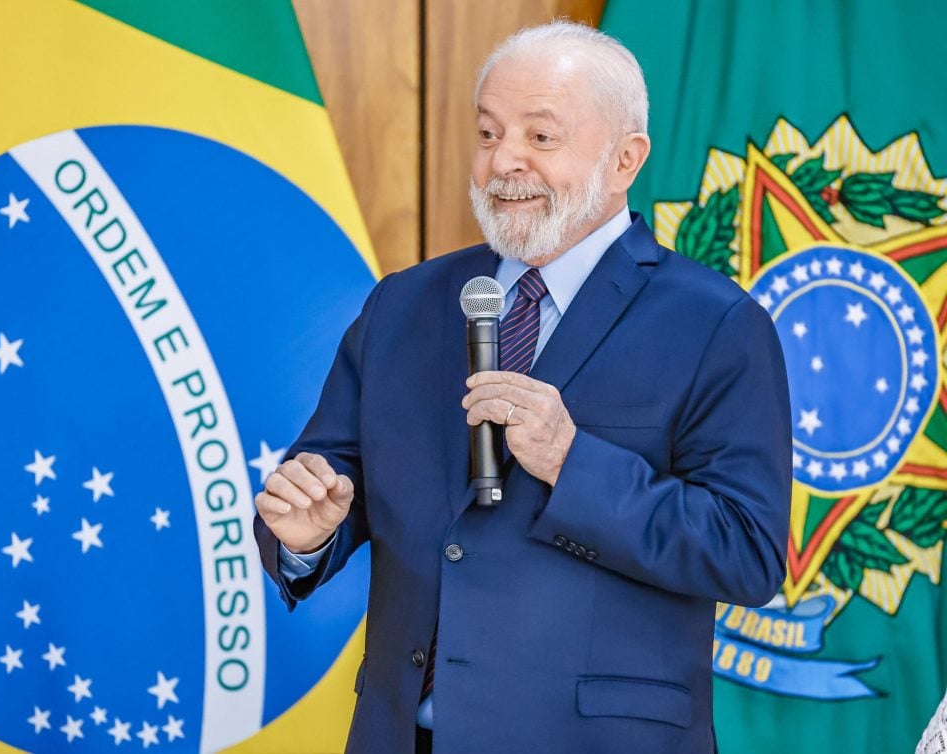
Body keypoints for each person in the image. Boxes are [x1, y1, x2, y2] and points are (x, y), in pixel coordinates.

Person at [254, 20, 791, 754]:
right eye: (486, 133)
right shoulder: (404, 304)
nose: (503, 161)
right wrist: (307, 536)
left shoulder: (717, 324)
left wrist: (575, 464)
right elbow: (325, 481)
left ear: (625, 159)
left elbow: (747, 552)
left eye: (540, 138)